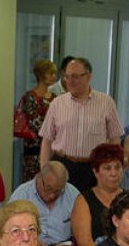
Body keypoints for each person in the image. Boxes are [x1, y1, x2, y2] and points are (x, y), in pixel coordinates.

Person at [39, 57, 122, 195]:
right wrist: (44, 170)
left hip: (93, 167)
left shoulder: (106, 102)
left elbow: (115, 139)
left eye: (75, 77)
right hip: (62, 164)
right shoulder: (57, 104)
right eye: (67, 76)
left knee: (91, 210)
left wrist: (110, 169)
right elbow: (47, 140)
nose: (70, 81)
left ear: (88, 76)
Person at [9, 161, 79, 246]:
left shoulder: (73, 194)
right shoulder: (21, 194)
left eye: (58, 191)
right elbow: (7, 231)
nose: (52, 196)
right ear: (38, 177)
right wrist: (28, 243)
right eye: (48, 189)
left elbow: (85, 231)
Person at [70, 143, 126, 246]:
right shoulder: (83, 201)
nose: (114, 173)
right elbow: (85, 245)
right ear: (96, 172)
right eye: (107, 168)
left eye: (117, 167)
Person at [15, 59, 58, 182]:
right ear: (41, 74)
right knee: (32, 183)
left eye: (54, 73)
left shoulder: (55, 98)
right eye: (50, 73)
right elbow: (34, 122)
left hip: (52, 150)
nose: (53, 76)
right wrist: (52, 130)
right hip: (33, 149)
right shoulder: (30, 96)